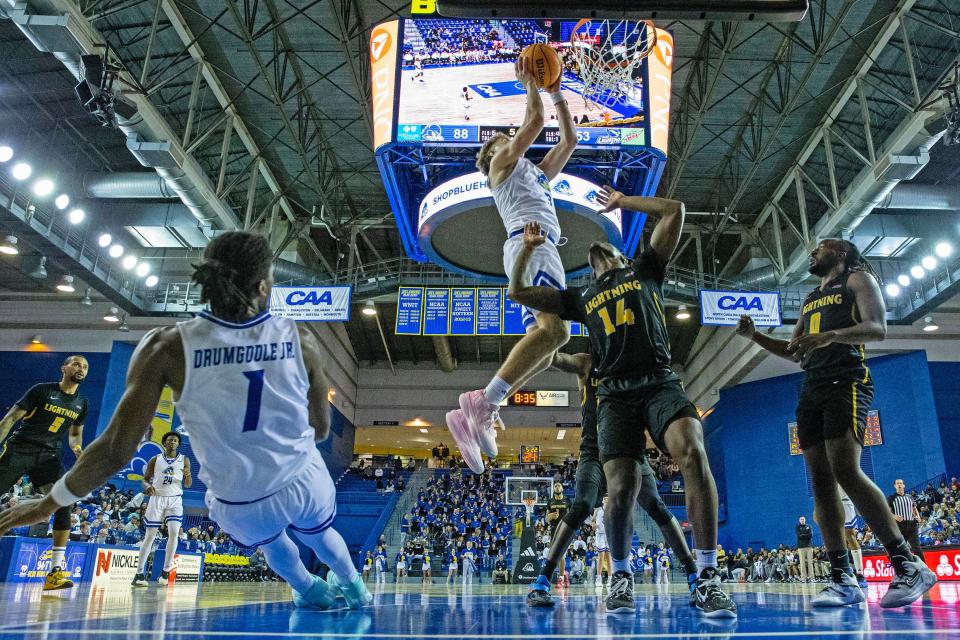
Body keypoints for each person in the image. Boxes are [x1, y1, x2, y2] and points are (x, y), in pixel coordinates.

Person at [0, 232, 371, 610]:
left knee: (272, 544)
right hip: (301, 479)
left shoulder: (165, 346)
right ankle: (355, 586)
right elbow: (322, 428)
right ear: (263, 286)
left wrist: (49, 503)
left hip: (239, 499)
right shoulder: (300, 337)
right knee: (322, 537)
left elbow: (115, 450)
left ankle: (308, 589)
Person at [508, 189, 737, 618]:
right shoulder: (580, 297)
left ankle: (706, 575)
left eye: (608, 249)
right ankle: (620, 574)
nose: (597, 251)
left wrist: (622, 201)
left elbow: (675, 208)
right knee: (621, 489)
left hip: (658, 378)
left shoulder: (646, 270)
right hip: (612, 392)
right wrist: (527, 249)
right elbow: (518, 291)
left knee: (692, 449)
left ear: (623, 257)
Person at [737, 238, 936, 608]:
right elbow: (795, 349)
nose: (812, 252)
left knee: (845, 469)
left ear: (840, 253)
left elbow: (877, 328)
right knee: (820, 484)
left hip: (847, 379)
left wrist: (829, 336)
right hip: (811, 385)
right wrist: (755, 337)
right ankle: (843, 578)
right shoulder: (812, 297)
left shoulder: (857, 280)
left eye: (820, 247)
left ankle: (907, 565)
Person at [445, 56, 578, 473]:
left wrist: (556, 90)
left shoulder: (533, 173)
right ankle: (484, 401)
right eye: (504, 138)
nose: (511, 138)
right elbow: (535, 122)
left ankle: (482, 406)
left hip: (537, 245)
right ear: (493, 153)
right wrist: (530, 83)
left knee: (553, 340)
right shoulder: (501, 167)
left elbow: (568, 141)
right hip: (531, 243)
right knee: (556, 331)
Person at [527, 352, 699, 608]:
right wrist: (541, 342)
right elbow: (558, 359)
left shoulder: (631, 363)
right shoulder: (588, 363)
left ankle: (694, 575)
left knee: (655, 504)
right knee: (582, 505)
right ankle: (542, 580)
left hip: (629, 451)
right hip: (594, 452)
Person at [0, 355, 89, 591]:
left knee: (63, 504)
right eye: (77, 364)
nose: (81, 369)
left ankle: (54, 573)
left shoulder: (82, 403)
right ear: (64, 368)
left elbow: (74, 434)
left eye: (85, 367)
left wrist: (78, 449)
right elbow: (10, 419)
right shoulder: (41, 390)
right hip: (20, 449)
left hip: (49, 457)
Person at [132, 431, 192, 586]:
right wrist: (148, 487)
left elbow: (188, 484)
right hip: (157, 498)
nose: (173, 442)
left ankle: (165, 572)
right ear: (165, 443)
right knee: (150, 535)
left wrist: (188, 475)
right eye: (170, 440)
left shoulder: (184, 460)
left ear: (178, 444)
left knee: (173, 534)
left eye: (175, 440)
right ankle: (139, 574)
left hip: (175, 500)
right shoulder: (155, 459)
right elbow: (145, 480)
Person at [887, 479, 923, 556]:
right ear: (895, 486)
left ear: (904, 485)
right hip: (899, 525)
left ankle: (923, 566)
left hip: (912, 524)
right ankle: (902, 566)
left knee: (916, 547)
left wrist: (918, 516)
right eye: (897, 483)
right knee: (901, 548)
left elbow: (914, 508)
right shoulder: (891, 498)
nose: (899, 485)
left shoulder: (909, 497)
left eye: (901, 483)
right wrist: (895, 516)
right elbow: (887, 511)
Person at [840, 488, 867, 587]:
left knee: (850, 535)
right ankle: (842, 572)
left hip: (845, 502)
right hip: (831, 503)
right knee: (836, 539)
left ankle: (860, 573)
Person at [795, 515, 814, 583]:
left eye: (803, 519)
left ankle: (811, 578)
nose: (802, 520)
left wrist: (803, 535)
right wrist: (806, 535)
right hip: (801, 547)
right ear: (799, 520)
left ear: (805, 520)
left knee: (810, 563)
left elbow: (811, 535)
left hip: (809, 546)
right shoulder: (797, 527)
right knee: (802, 563)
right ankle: (803, 578)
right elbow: (799, 536)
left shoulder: (809, 526)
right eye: (801, 519)